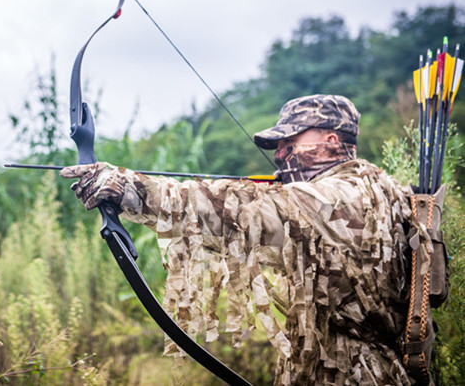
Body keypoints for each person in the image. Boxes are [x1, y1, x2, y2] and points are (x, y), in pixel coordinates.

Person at [61, 94, 414, 385]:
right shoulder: (382, 190)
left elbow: (241, 213)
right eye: (278, 146)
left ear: (331, 140)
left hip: (353, 376)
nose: (280, 154)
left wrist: (132, 190)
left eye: (291, 142)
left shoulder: (336, 199)